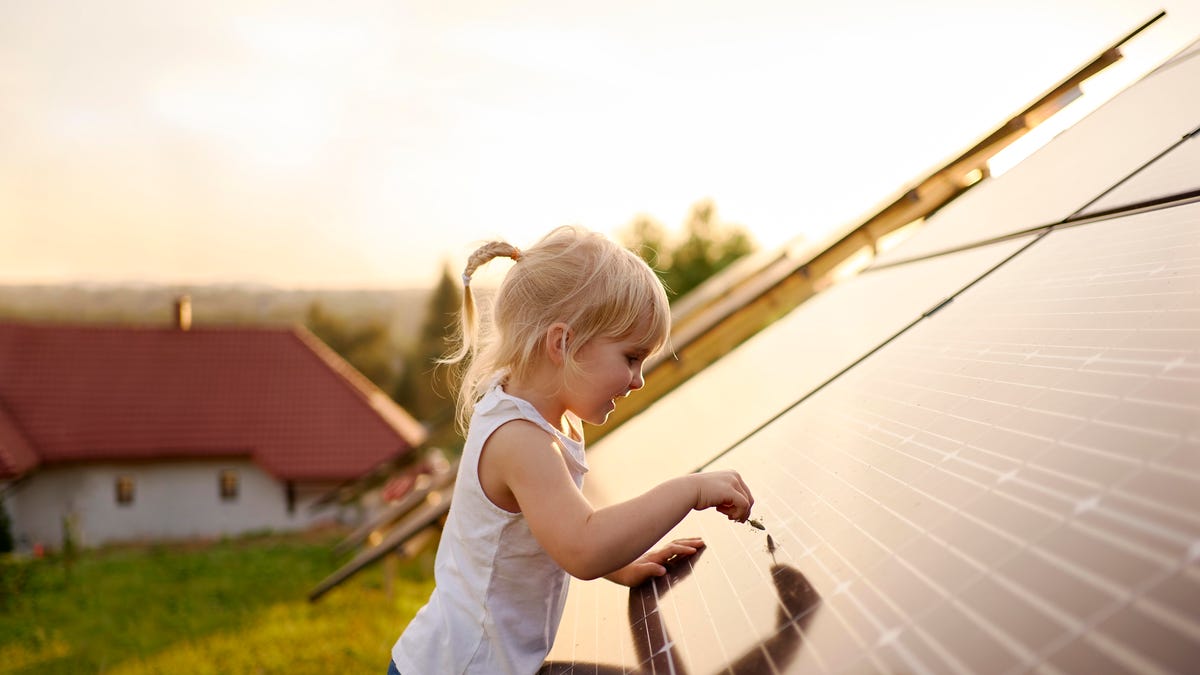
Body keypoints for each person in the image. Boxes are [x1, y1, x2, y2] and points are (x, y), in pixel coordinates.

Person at [388, 225, 755, 675]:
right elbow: (582, 546)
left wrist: (622, 564)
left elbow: (557, 529)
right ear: (563, 343)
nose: (639, 379)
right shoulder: (520, 439)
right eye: (631, 357)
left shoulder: (550, 418)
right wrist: (689, 491)